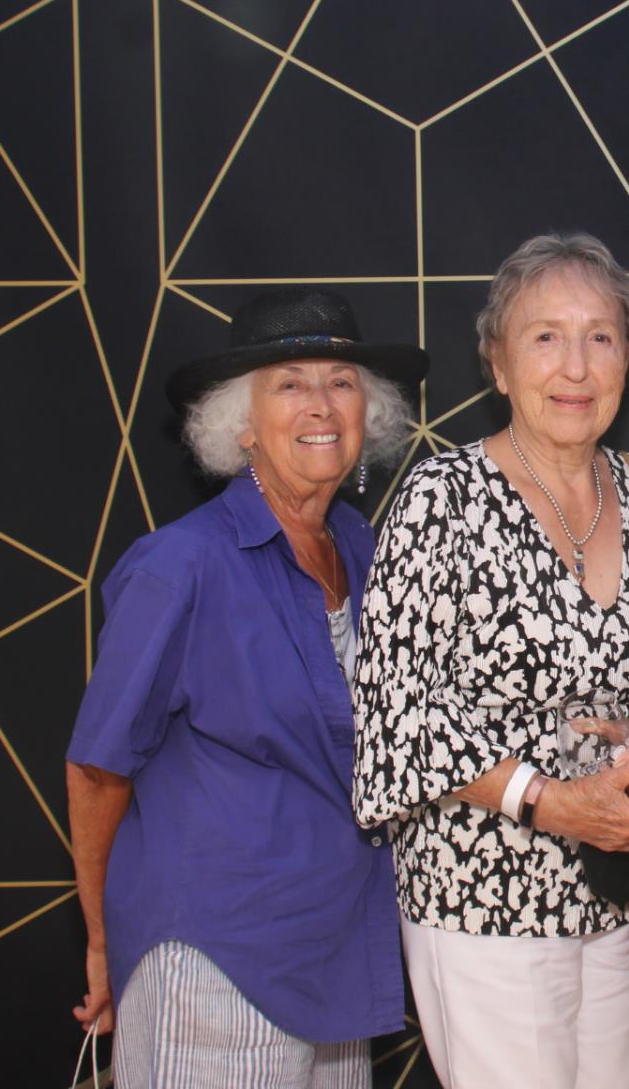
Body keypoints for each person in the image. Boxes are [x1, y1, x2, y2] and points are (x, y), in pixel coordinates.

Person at [65, 287, 426, 1086]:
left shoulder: (365, 549)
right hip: (218, 959)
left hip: (338, 961)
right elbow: (95, 769)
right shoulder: (179, 566)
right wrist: (102, 941)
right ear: (241, 423)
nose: (320, 404)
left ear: (369, 412)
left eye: (340, 382)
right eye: (289, 384)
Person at [351, 233, 629, 1089]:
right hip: (482, 897)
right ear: (498, 364)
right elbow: (397, 721)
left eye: (600, 336)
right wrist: (553, 803)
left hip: (616, 896)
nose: (576, 366)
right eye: (545, 337)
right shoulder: (441, 500)